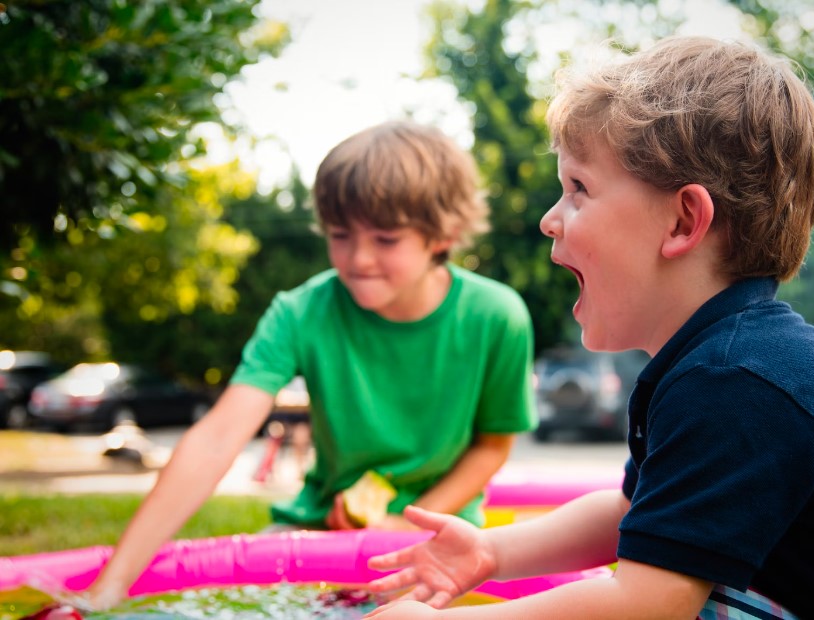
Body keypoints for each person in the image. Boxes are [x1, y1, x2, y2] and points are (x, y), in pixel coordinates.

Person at [361, 36, 814, 619]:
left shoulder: (740, 381)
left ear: (684, 220)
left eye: (578, 189)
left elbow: (647, 605)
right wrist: (489, 551)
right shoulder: (718, 362)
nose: (549, 219)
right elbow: (629, 512)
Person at [84, 120, 538, 607]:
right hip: (317, 528)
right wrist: (109, 587)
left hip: (441, 536)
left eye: (386, 239)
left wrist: (405, 522)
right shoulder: (300, 312)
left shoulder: (497, 316)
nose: (359, 259)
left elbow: (491, 447)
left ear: (442, 234)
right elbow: (217, 438)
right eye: (340, 235)